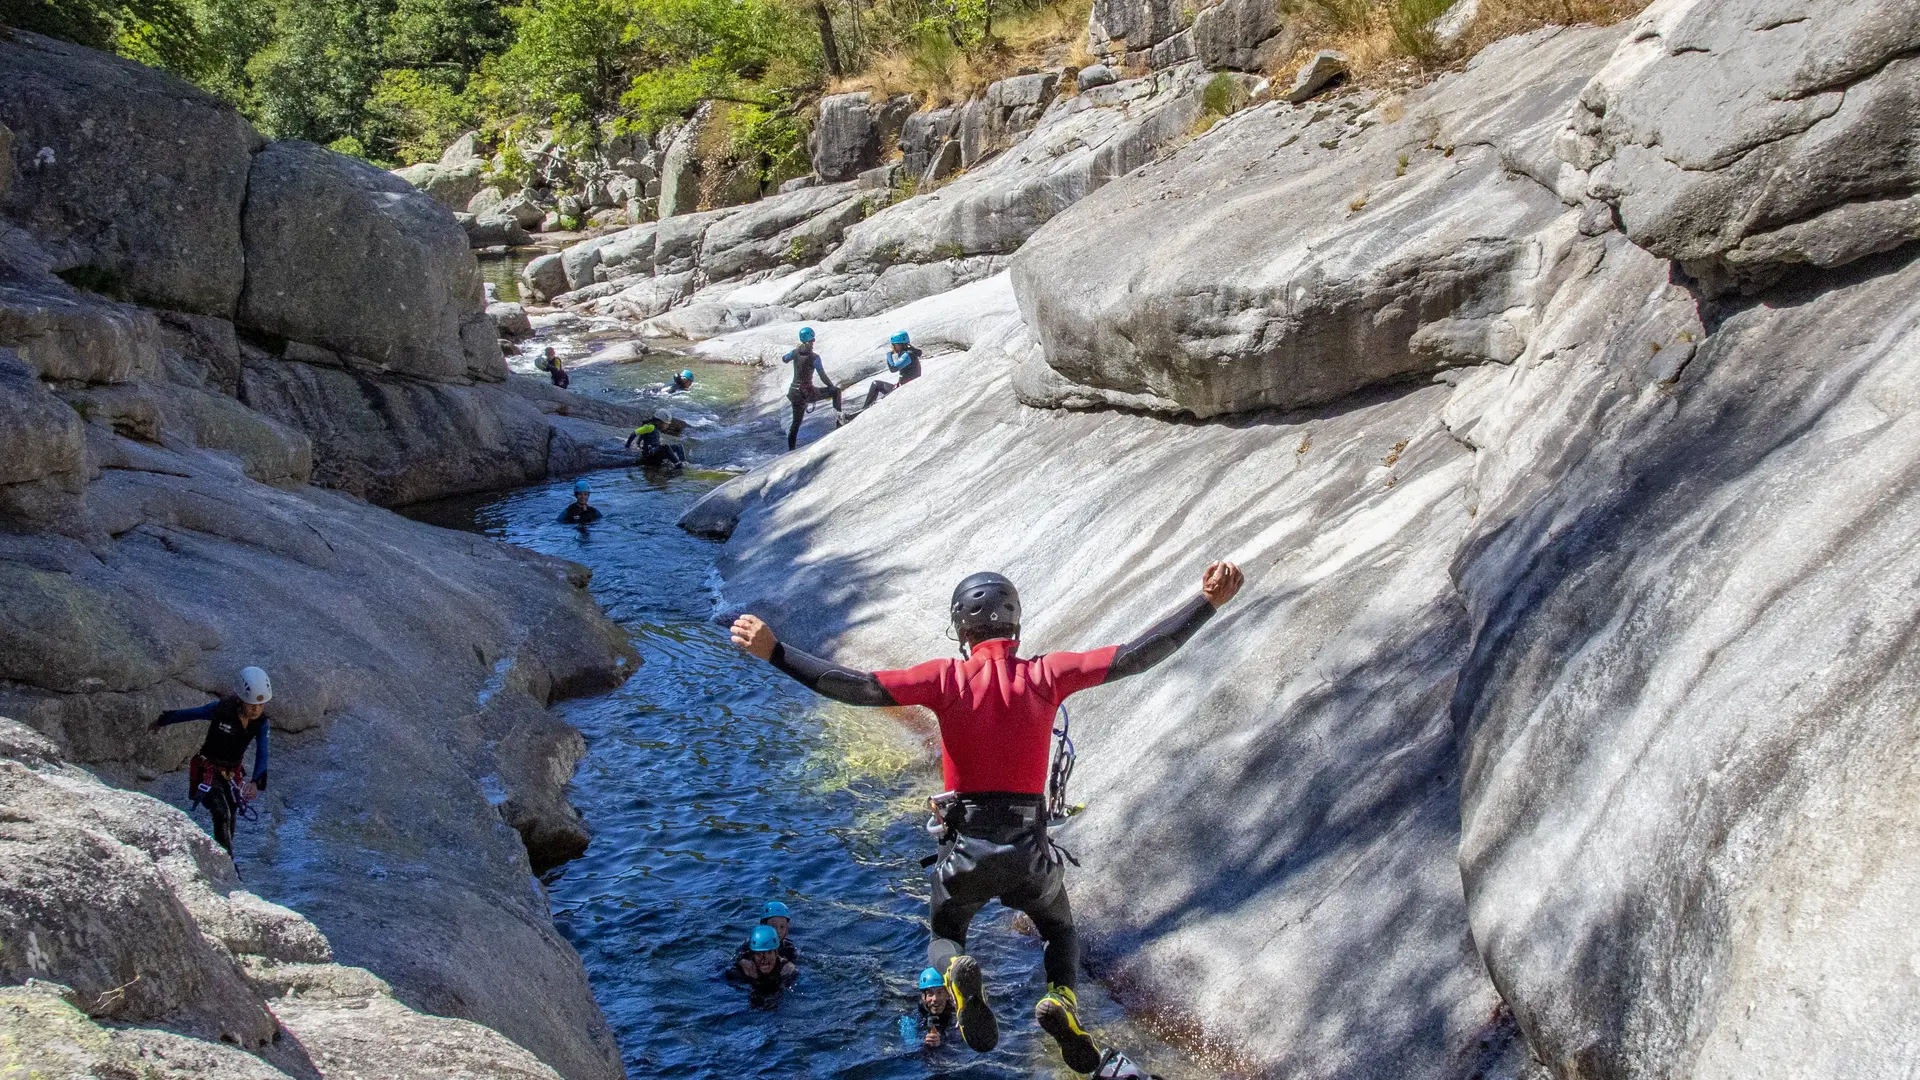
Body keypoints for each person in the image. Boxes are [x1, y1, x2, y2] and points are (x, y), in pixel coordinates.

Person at [729, 561, 1245, 1074]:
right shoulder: (1047, 673)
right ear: (1014, 625)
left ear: (961, 629)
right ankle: (1061, 1000)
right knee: (1059, 932)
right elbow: (1136, 656)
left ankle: (956, 970)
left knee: (944, 932)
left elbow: (857, 686)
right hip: (1029, 852)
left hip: (965, 850)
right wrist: (1206, 603)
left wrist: (775, 651)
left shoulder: (944, 678)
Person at [149, 666, 274, 857]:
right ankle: (228, 862)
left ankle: (225, 858)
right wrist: (163, 720)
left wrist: (256, 782)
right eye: (251, 704)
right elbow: (192, 713)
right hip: (206, 770)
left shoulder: (261, 722)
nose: (256, 709)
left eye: (260, 705)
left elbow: (262, 753)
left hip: (232, 774)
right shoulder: (222, 710)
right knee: (221, 812)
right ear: (240, 698)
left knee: (231, 813)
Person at [782, 326, 842, 450]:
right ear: (810, 341)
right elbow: (822, 376)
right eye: (813, 340)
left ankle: (791, 450)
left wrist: (796, 350)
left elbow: (784, 359)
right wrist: (831, 387)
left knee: (795, 424)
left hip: (794, 393)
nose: (814, 342)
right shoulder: (814, 357)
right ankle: (839, 423)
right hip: (807, 392)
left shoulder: (795, 352)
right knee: (836, 392)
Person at [728, 924, 797, 995]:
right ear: (753, 954)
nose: (765, 957)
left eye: (769, 952)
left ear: (776, 953)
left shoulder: (786, 970)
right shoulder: (745, 967)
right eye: (759, 953)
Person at [864, 330, 924, 409]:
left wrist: (889, 355)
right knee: (876, 384)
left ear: (899, 344)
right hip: (902, 386)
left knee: (879, 401)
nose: (893, 347)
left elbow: (893, 368)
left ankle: (863, 410)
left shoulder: (907, 355)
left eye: (894, 345)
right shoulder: (909, 351)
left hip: (905, 389)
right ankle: (865, 408)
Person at [900, 967, 956, 1048]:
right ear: (924, 997)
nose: (935, 999)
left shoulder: (956, 1015)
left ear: (948, 994)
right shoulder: (910, 1018)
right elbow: (909, 1044)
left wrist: (942, 1041)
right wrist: (925, 1042)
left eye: (940, 992)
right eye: (930, 994)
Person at [734, 901, 799, 967]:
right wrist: (742, 962)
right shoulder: (750, 945)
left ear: (787, 929)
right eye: (773, 926)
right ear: (763, 926)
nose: (778, 931)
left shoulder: (789, 949)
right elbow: (736, 958)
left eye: (782, 927)